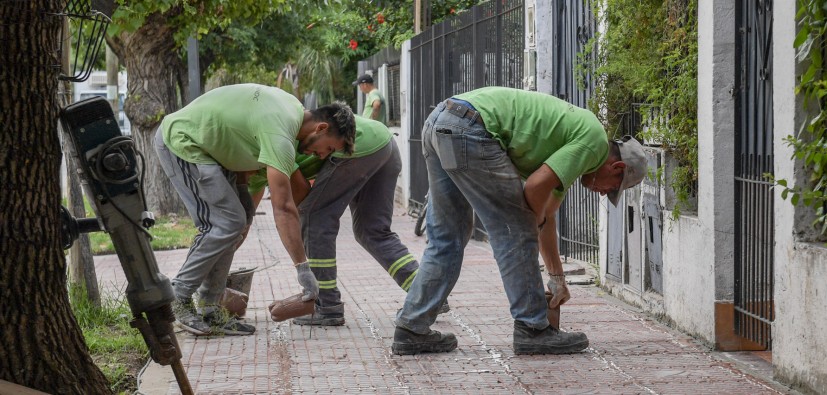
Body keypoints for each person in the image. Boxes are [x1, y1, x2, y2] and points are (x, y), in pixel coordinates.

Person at [391, 86, 647, 355]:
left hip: (441, 122)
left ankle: (411, 328)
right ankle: (533, 328)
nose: (604, 193)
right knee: (517, 228)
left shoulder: (573, 153)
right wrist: (528, 224)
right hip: (471, 128)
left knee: (447, 237)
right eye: (611, 188)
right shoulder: (593, 144)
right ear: (616, 168)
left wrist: (557, 278)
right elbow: (535, 189)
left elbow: (546, 217)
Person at [154, 83, 356, 336]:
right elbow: (283, 207)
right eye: (328, 148)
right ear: (321, 128)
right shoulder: (281, 134)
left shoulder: (291, 109)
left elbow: (236, 136)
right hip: (183, 141)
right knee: (223, 223)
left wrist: (243, 199)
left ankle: (210, 308)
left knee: (236, 223)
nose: (321, 155)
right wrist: (303, 270)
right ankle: (178, 296)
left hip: (211, 151)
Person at [250, 116, 448, 326]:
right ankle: (427, 296)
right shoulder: (259, 167)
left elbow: (298, 199)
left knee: (315, 217)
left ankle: (326, 306)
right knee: (372, 231)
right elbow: (248, 214)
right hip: (384, 143)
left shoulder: (272, 150)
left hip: (359, 148)